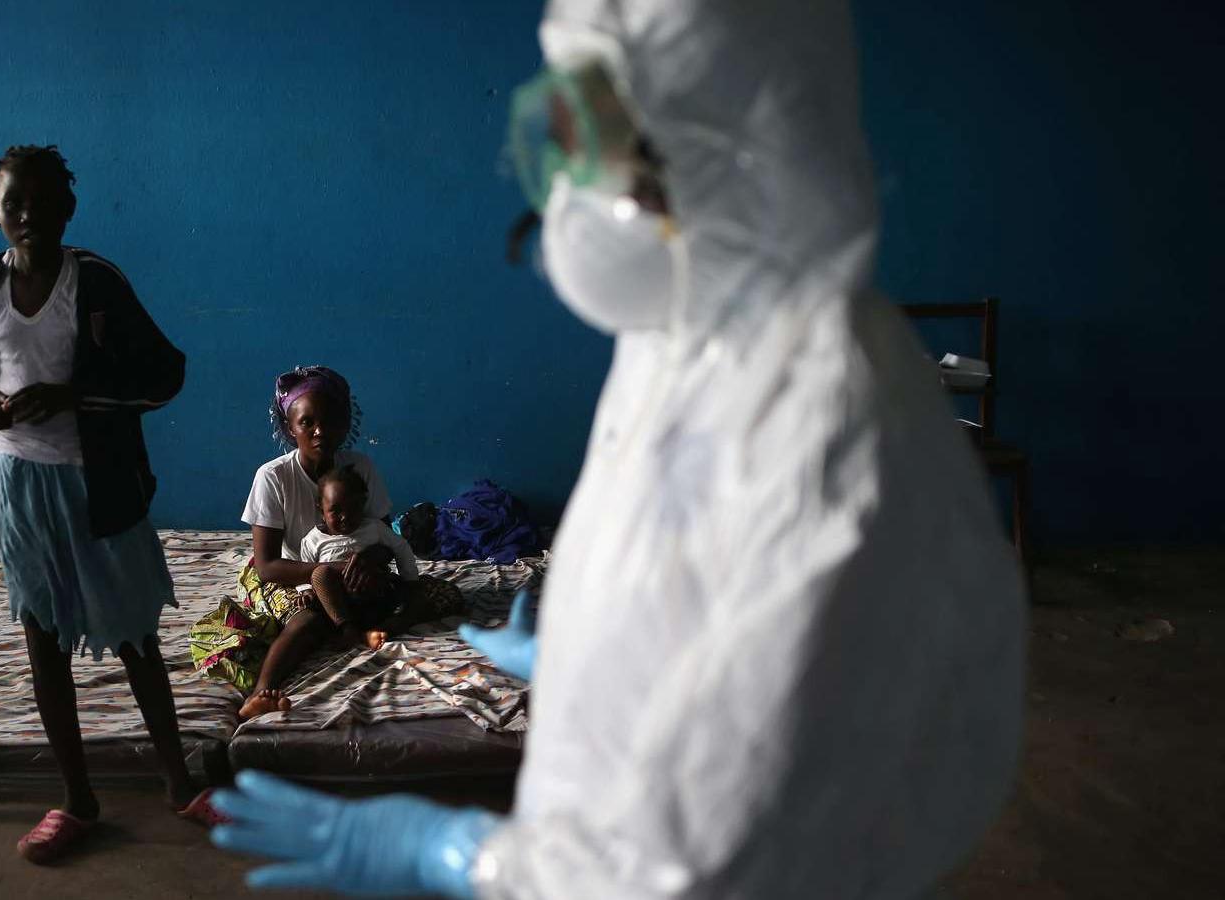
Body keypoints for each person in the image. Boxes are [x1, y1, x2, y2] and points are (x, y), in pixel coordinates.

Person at [209, 2, 1026, 897]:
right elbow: (695, 589)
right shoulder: (686, 334)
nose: (578, 197)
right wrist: (590, 659)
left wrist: (463, 857)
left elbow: (703, 841)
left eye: (613, 155)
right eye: (570, 143)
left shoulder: (823, 426)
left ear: (740, 154)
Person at [0, 144, 221, 863]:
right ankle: (77, 798)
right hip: (19, 486)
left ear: (69, 208)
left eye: (43, 202)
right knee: (43, 639)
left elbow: (166, 375)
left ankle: (178, 783)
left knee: (135, 636)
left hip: (97, 483)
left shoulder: (94, 283)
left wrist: (73, 397)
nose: (28, 215)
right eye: (13, 204)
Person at [187, 366, 462, 719]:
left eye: (331, 421)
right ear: (290, 428)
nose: (320, 432)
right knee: (309, 620)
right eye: (307, 423)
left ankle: (381, 627)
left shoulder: (360, 468)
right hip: (295, 574)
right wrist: (325, 571)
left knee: (441, 595)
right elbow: (267, 566)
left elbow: (379, 535)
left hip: (355, 569)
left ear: (346, 424)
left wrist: (368, 563)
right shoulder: (273, 478)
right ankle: (261, 693)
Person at [301, 464, 422, 650]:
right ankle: (347, 628)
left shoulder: (373, 528)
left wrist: (410, 581)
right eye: (336, 510)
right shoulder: (312, 540)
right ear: (321, 508)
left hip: (376, 597)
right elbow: (304, 570)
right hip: (340, 605)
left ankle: (382, 629)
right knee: (319, 574)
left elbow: (402, 547)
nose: (345, 517)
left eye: (353, 508)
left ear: (363, 504)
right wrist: (305, 591)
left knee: (412, 608)